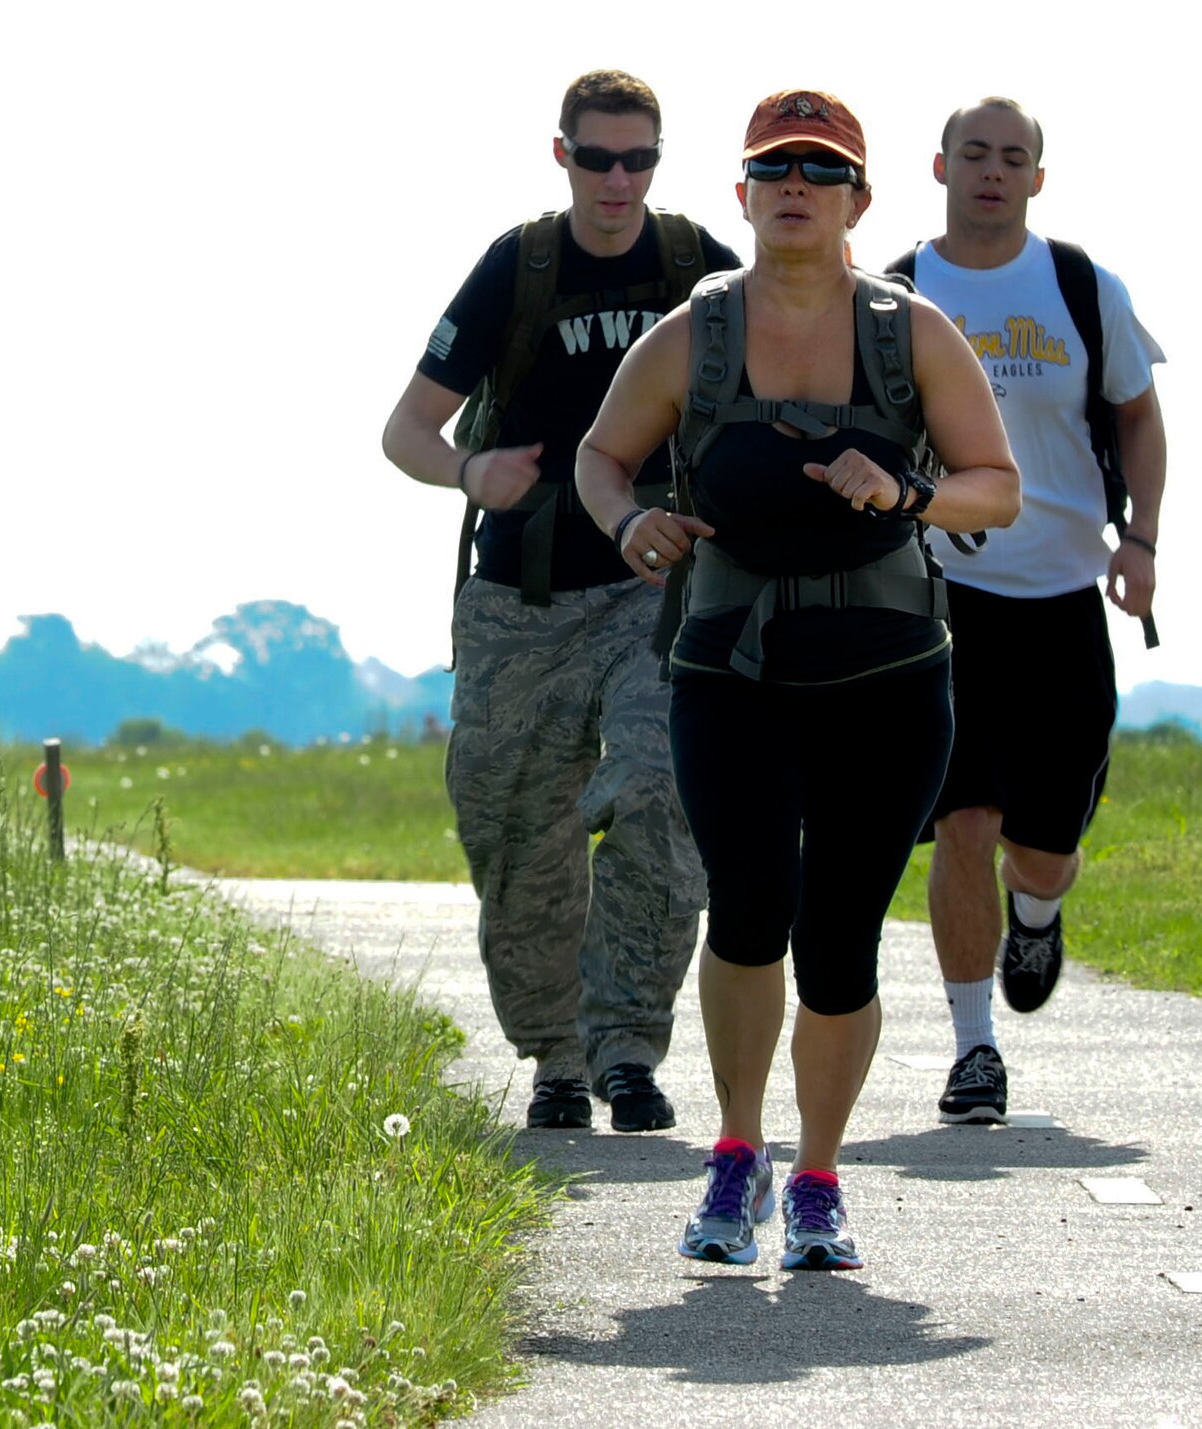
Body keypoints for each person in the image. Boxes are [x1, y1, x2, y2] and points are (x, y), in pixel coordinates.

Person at [578, 89, 1020, 1269]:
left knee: (838, 939)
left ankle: (818, 1174)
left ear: (858, 201)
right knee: (748, 908)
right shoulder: (692, 333)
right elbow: (600, 457)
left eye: (821, 171)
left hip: (886, 677)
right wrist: (631, 525)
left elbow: (996, 486)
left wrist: (908, 494)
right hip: (730, 669)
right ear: (740, 192)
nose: (795, 186)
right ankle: (735, 1152)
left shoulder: (910, 332)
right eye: (773, 165)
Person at [381, 70, 742, 1133]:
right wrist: (464, 473)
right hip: (524, 596)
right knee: (514, 828)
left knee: (655, 791)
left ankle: (627, 1044)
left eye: (639, 159)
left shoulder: (695, 270)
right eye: (599, 158)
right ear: (563, 157)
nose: (619, 180)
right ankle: (556, 1057)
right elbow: (404, 429)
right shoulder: (518, 267)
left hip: (655, 587)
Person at [887, 98, 1167, 1125]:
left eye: (1012, 159)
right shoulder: (894, 292)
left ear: (1035, 179)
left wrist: (1139, 541)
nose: (991, 173)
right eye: (974, 154)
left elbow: (1137, 417)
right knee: (962, 818)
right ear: (940, 167)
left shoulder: (1082, 289)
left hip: (1060, 594)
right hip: (939, 597)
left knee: (1042, 837)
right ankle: (973, 1049)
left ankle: (1037, 910)